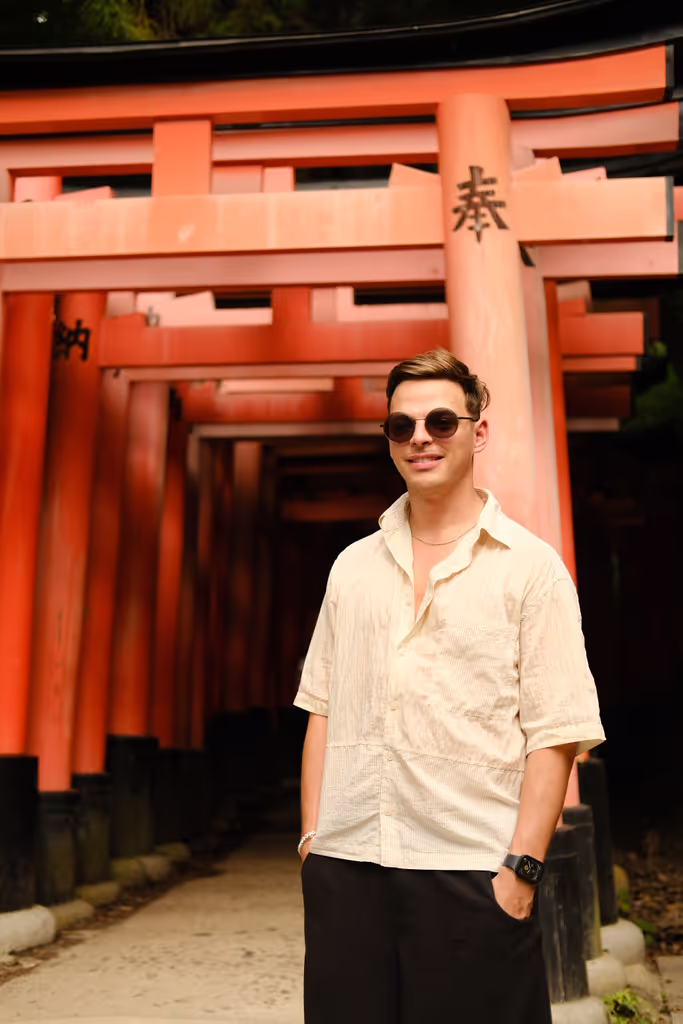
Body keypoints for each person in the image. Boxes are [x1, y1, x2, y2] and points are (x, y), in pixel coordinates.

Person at [294, 349, 605, 1024]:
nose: (419, 439)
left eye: (439, 420)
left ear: (477, 431)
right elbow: (321, 706)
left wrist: (519, 873)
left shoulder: (529, 570)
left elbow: (555, 732)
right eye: (400, 427)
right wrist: (313, 842)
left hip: (470, 869)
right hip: (348, 865)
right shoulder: (351, 568)